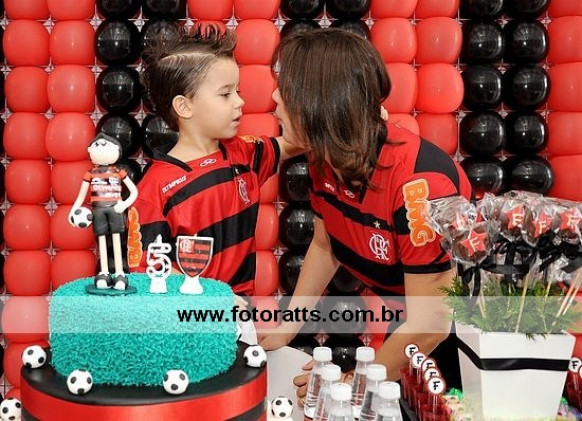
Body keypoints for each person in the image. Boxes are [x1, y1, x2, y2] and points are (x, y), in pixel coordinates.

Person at [258, 28, 473, 400]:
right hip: (411, 320)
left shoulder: (420, 186)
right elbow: (325, 244)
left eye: (287, 87)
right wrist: (288, 326)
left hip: (466, 338)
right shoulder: (325, 158)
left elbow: (432, 323)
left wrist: (350, 385)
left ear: (322, 102)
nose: (275, 96)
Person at [129, 23, 302, 296]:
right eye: (225, 94)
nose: (239, 102)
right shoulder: (154, 191)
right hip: (193, 317)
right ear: (184, 106)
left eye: (238, 91)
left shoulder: (243, 154)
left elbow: (296, 141)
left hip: (241, 313)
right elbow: (150, 272)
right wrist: (213, 301)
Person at [69, 133, 139, 291]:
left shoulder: (119, 172)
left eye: (105, 145)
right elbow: (81, 196)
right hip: (98, 211)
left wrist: (124, 204)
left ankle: (120, 273)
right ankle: (104, 272)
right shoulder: (90, 174)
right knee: (102, 242)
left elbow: (134, 191)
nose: (100, 149)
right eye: (96, 146)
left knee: (116, 240)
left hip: (115, 209)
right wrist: (73, 210)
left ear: (117, 150)